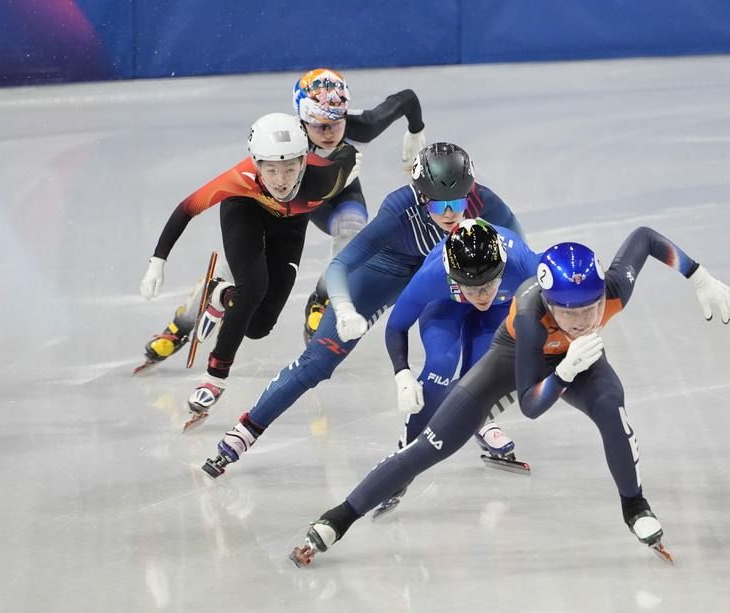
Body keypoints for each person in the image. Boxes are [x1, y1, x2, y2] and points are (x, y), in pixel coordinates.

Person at [288, 230, 730, 566]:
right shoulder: (529, 312)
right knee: (429, 446)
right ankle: (337, 519)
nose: (583, 321)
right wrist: (565, 370)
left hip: (579, 361)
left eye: (592, 309)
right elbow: (532, 404)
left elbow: (645, 239)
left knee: (610, 407)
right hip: (516, 359)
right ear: (550, 304)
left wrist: (699, 276)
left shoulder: (614, 288)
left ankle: (634, 505)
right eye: (570, 313)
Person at [200, 142, 528, 478]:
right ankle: (246, 430)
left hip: (442, 275)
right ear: (420, 196)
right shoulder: (399, 210)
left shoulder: (487, 204)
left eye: (456, 202)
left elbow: (520, 261)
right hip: (387, 270)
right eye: (437, 203)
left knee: (474, 331)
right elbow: (340, 265)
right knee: (318, 361)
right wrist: (343, 308)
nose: (448, 213)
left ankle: (476, 414)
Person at [136, 112, 357, 426]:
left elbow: (348, 153)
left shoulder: (327, 177)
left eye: (290, 168)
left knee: (258, 327)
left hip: (290, 228)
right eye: (271, 169)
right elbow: (186, 209)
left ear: (304, 162)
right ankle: (214, 378)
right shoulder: (240, 178)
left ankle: (221, 295)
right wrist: (157, 262)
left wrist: (353, 152)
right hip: (245, 212)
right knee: (253, 286)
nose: (280, 180)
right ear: (256, 164)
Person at [380, 219, 541, 500]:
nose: (482, 295)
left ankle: (480, 421)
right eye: (472, 288)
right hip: (445, 305)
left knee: (481, 377)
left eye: (490, 284)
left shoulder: (523, 264)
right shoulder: (433, 276)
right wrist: (402, 374)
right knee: (440, 365)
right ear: (453, 277)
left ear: (502, 267)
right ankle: (403, 457)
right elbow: (396, 326)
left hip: (501, 309)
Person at [291, 68, 429, 343]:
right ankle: (215, 289)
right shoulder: (289, 137)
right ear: (302, 121)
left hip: (342, 196)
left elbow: (408, 99)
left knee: (352, 237)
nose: (329, 132)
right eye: (319, 124)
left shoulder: (363, 126)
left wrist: (416, 133)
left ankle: (322, 297)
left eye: (336, 122)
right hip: (294, 195)